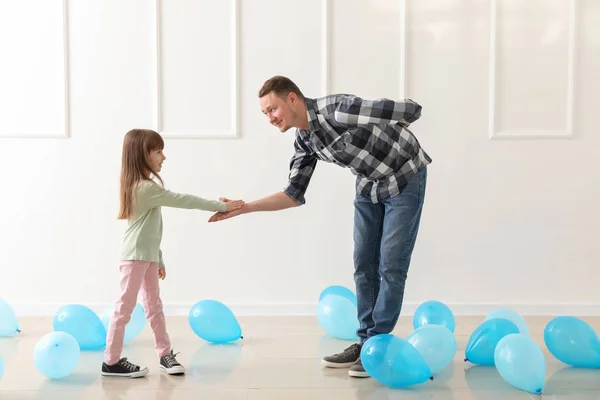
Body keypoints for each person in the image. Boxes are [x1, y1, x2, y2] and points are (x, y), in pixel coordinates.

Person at [209, 76, 432, 378]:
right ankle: (366, 341)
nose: (271, 118)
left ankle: (376, 347)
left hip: (405, 176)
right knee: (363, 263)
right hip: (368, 185)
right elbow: (292, 195)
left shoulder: (339, 110)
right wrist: (245, 207)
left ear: (292, 99)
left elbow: (403, 108)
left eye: (272, 109)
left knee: (391, 264)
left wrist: (405, 119)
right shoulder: (305, 140)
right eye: (265, 114)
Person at [102, 129, 244, 378]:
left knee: (154, 306)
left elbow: (149, 231)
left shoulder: (144, 187)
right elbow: (183, 200)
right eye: (158, 151)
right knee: (124, 308)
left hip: (146, 256)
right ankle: (111, 362)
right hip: (135, 257)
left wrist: (159, 258)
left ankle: (164, 354)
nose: (163, 157)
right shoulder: (144, 188)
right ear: (142, 154)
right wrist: (222, 206)